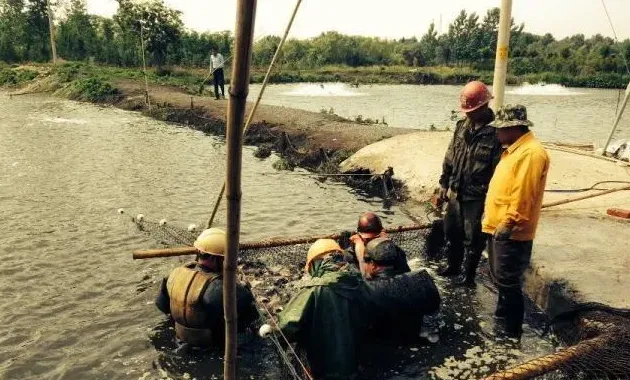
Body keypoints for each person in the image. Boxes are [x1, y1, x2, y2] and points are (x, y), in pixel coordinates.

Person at [259, 239, 372, 379]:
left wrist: (271, 327)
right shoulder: (361, 282)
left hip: (325, 368)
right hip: (358, 365)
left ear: (315, 264)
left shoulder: (313, 290)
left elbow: (287, 326)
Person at [482, 104, 550, 338]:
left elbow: (523, 195)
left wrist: (508, 223)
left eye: (501, 128)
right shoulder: (514, 150)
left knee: (509, 282)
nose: (497, 133)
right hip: (498, 226)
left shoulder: (531, 153)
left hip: (511, 232)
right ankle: (501, 320)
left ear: (514, 128)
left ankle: (511, 334)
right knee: (502, 279)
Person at [437, 80, 503, 286]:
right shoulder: (461, 127)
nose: (468, 114)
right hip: (457, 191)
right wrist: (443, 184)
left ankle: (468, 277)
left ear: (484, 106)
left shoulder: (496, 133)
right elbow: (450, 156)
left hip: (477, 195)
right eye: (467, 110)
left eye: (472, 110)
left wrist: (491, 203)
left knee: (473, 238)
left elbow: (499, 172)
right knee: (452, 231)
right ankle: (453, 266)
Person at [155, 228, 259, 347]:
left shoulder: (174, 275)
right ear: (218, 259)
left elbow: (162, 306)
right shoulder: (221, 288)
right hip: (212, 345)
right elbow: (251, 317)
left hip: (180, 337)